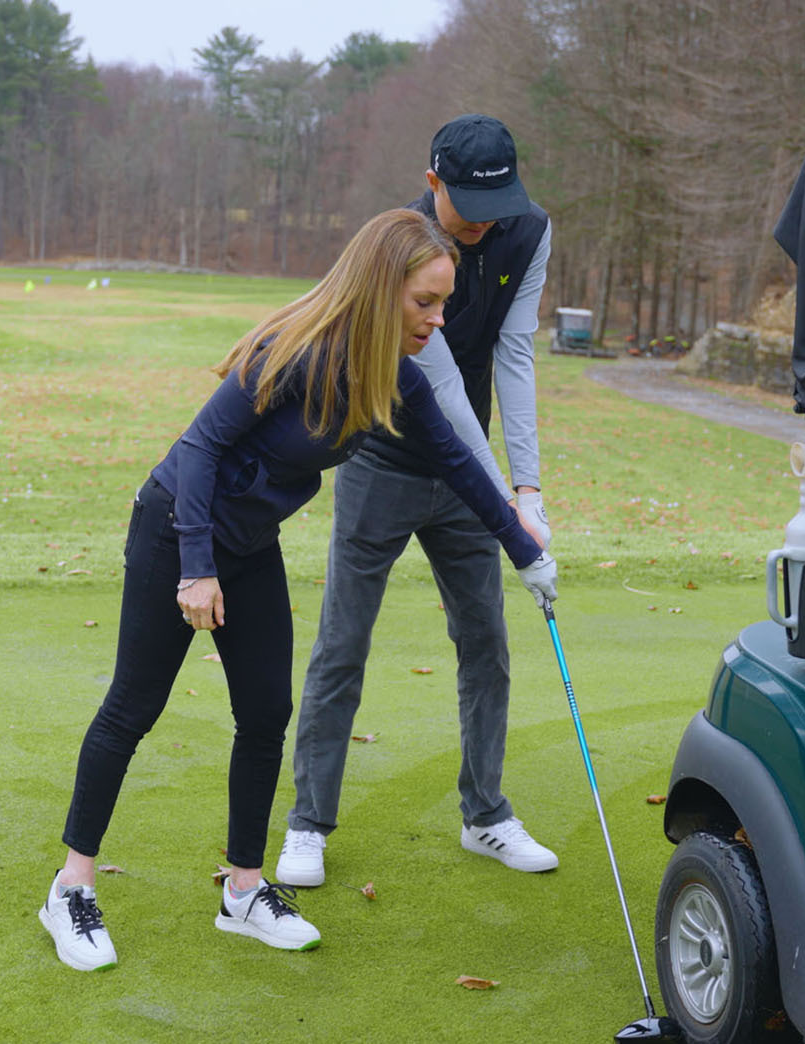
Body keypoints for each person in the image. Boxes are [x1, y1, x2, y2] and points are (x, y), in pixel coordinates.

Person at [39, 208, 558, 972]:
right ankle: (71, 889)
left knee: (266, 713)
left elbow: (455, 461)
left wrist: (526, 552)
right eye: (425, 304)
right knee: (133, 707)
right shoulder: (297, 353)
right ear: (384, 291)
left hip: (249, 545)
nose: (438, 320)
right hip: (177, 527)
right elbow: (200, 449)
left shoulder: (396, 378)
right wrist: (194, 566)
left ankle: (244, 892)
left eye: (443, 304)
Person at [278, 114, 557, 887]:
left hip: (468, 479)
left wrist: (528, 491)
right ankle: (308, 825)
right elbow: (438, 394)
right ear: (432, 183)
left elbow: (515, 355)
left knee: (486, 643)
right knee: (344, 642)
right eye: (465, 202)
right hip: (384, 457)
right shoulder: (400, 249)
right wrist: (510, 517)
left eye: (494, 203)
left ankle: (487, 815)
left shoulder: (527, 232)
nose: (482, 221)